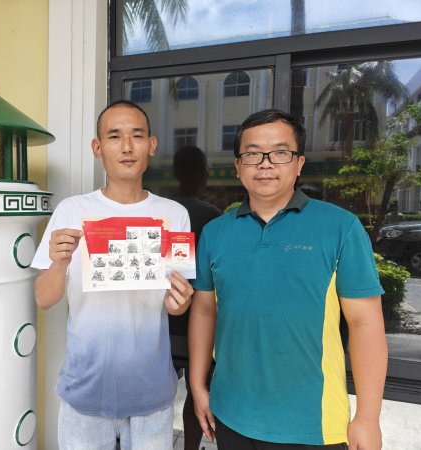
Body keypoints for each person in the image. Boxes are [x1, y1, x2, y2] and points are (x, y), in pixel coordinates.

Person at [189, 109, 387, 450]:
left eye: (280, 153)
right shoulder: (215, 232)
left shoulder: (340, 227)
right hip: (230, 414)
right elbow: (205, 311)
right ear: (238, 166)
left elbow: (365, 324)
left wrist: (368, 419)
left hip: (312, 425)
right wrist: (197, 386)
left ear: (299, 163)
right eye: (252, 154)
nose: (265, 164)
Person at [32, 100, 195, 450]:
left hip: (151, 387)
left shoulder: (174, 215)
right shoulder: (72, 211)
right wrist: (59, 263)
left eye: (137, 136)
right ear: (97, 147)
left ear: (152, 145)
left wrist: (180, 303)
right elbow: (44, 299)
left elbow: (176, 305)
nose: (126, 147)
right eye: (114, 136)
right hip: (85, 387)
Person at [169, 145, 220, 450]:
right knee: (196, 390)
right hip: (198, 322)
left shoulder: (163, 209)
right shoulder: (210, 216)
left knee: (161, 391)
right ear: (203, 175)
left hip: (164, 320)